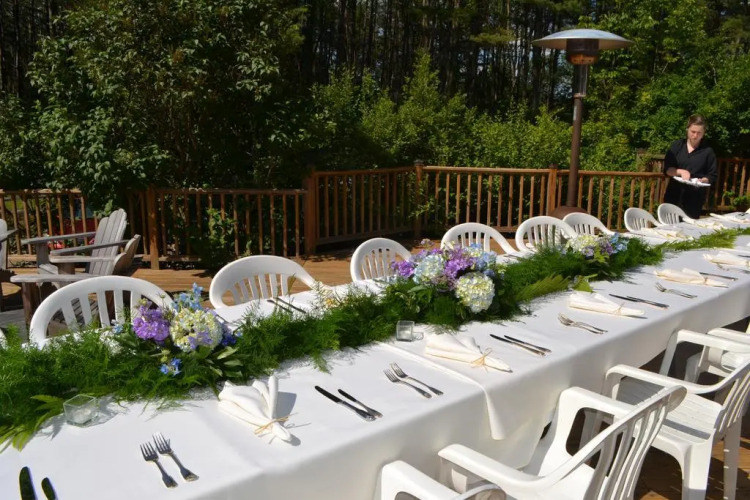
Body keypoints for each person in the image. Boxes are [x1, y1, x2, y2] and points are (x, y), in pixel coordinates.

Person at [662, 114, 717, 219]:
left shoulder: (708, 151)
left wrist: (703, 180)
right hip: (674, 195)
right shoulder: (677, 146)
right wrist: (681, 172)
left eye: (699, 133)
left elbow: (712, 175)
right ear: (687, 129)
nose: (695, 136)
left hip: (694, 199)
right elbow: (667, 169)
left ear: (703, 133)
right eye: (693, 132)